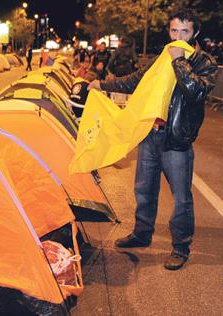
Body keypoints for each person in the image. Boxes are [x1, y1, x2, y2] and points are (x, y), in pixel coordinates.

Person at [88, 8, 218, 270]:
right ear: (168, 31)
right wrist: (102, 85)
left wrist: (179, 61)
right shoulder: (163, 57)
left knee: (181, 197)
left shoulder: (204, 62)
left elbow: (195, 92)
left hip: (177, 140)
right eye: (174, 31)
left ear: (195, 33)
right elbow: (137, 80)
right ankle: (142, 233)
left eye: (184, 31)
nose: (178, 36)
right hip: (151, 133)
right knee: (144, 190)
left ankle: (180, 247)